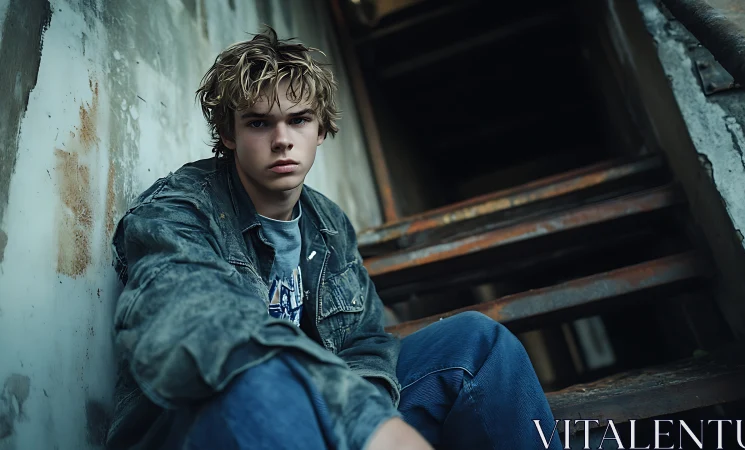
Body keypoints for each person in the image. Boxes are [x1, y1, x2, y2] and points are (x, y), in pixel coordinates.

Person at [106, 27, 562, 450]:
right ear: (228, 133)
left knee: (477, 343)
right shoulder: (178, 209)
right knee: (255, 380)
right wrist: (360, 418)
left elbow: (365, 339)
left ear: (321, 129)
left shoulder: (328, 222)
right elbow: (202, 322)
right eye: (259, 123)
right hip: (214, 424)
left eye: (299, 120)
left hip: (325, 417)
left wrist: (367, 405)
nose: (282, 140)